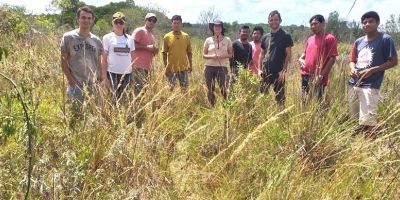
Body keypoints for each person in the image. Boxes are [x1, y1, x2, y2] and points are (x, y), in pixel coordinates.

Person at [348, 11, 398, 136]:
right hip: (354, 83)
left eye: (370, 21)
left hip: (371, 85)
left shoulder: (385, 39)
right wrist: (352, 68)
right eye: (364, 22)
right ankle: (357, 146)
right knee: (354, 118)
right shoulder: (358, 41)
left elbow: (393, 61)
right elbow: (352, 60)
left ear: (377, 23)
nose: (367, 24)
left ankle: (369, 144)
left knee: (368, 120)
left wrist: (373, 70)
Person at [60, 6, 103, 116]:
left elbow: (99, 61)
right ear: (78, 19)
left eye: (89, 18)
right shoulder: (68, 37)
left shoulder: (96, 40)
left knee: (93, 115)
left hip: (93, 85)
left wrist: (100, 77)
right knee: (76, 116)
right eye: (83, 17)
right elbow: (63, 61)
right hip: (76, 84)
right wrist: (71, 80)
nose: (86, 20)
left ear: (93, 20)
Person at [298, 14, 338, 100]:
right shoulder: (310, 39)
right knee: (304, 99)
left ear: (323, 24)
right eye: (311, 24)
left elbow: (332, 58)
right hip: (305, 74)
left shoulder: (329, 38)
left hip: (318, 76)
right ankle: (304, 114)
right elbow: (304, 53)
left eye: (315, 24)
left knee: (316, 101)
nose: (313, 26)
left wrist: (321, 76)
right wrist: (300, 59)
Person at [259, 10, 293, 105]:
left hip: (278, 73)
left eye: (276, 19)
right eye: (271, 20)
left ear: (280, 20)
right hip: (265, 72)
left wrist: (283, 71)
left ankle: (281, 117)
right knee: (262, 97)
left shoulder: (286, 35)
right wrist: (259, 69)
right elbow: (261, 55)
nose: (274, 21)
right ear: (268, 21)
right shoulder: (265, 37)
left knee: (280, 99)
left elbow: (288, 55)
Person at [102, 12, 135, 101]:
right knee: (112, 99)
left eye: (121, 22)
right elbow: (104, 59)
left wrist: (132, 75)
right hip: (112, 73)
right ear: (112, 23)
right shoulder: (107, 38)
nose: (119, 24)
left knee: (125, 99)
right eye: (116, 22)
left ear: (124, 24)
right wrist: (104, 77)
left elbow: (133, 59)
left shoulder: (130, 39)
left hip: (127, 74)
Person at [203, 20, 233, 106]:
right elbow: (204, 55)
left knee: (224, 88)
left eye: (219, 26)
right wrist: (212, 56)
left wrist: (223, 56)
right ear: (213, 28)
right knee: (210, 89)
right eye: (215, 26)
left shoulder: (227, 40)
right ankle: (212, 106)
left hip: (222, 67)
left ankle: (226, 106)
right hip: (209, 67)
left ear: (221, 28)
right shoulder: (208, 40)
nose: (217, 28)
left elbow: (230, 55)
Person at [162, 15, 192, 91]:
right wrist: (166, 67)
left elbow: (189, 52)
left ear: (181, 24)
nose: (176, 25)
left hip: (183, 68)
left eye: (178, 23)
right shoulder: (167, 37)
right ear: (171, 24)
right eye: (174, 23)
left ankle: (184, 103)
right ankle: (170, 103)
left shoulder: (186, 36)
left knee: (184, 89)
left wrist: (190, 65)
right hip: (171, 69)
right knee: (170, 89)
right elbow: (164, 53)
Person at [131, 13, 159, 96]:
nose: (152, 22)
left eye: (154, 21)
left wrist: (154, 51)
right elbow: (132, 45)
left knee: (143, 91)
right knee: (137, 91)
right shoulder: (140, 30)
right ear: (145, 20)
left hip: (147, 67)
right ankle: (136, 108)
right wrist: (147, 47)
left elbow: (150, 50)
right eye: (150, 20)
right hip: (138, 66)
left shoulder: (151, 35)